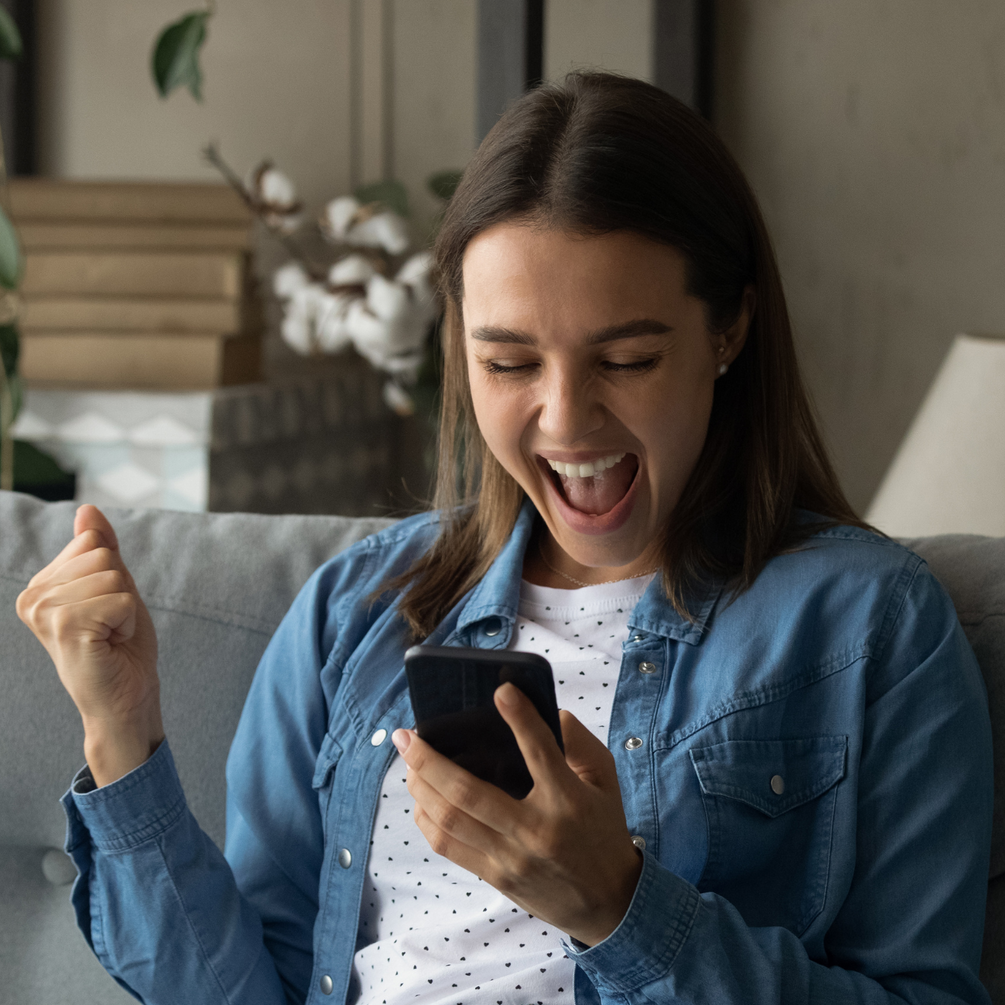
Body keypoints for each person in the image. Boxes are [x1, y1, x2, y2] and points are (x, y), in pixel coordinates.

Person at [17, 72, 993, 1005]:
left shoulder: (868, 624)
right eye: (510, 360)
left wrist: (618, 906)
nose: (565, 420)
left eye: (628, 357)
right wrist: (121, 730)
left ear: (729, 328)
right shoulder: (353, 614)